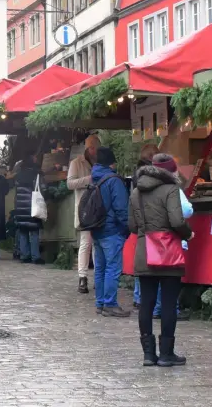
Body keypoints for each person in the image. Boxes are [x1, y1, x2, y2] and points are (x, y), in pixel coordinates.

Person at [130, 153, 192, 367]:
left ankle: (148, 355)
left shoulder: (136, 192)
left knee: (146, 303)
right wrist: (188, 234)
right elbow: (177, 220)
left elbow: (131, 225)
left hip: (144, 252)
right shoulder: (171, 189)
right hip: (168, 253)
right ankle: (166, 354)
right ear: (170, 170)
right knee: (168, 303)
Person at [90, 146, 131, 317]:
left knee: (100, 268)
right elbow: (121, 209)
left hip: (97, 229)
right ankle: (110, 304)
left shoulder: (94, 178)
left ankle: (100, 303)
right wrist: (127, 228)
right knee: (113, 268)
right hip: (112, 230)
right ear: (112, 163)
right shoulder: (114, 180)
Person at [67, 134, 101, 292]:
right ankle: (82, 277)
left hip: (99, 208)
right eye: (94, 149)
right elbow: (70, 183)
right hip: (84, 209)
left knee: (97, 244)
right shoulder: (76, 163)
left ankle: (97, 278)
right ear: (89, 149)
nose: (96, 152)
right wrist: (89, 179)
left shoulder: (100, 162)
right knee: (85, 243)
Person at [11, 157, 43, 264]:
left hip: (20, 207)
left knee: (23, 230)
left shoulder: (18, 175)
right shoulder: (36, 174)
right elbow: (43, 188)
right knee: (34, 231)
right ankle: (35, 256)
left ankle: (25, 255)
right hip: (32, 206)